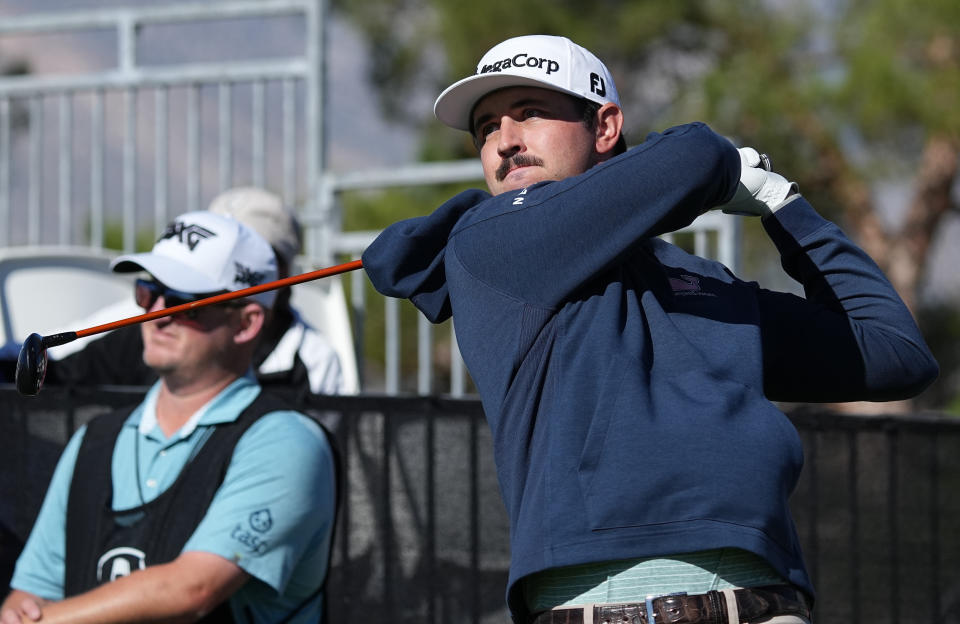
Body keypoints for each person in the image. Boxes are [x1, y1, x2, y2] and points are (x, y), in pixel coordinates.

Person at [360, 35, 939, 624]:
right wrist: (724, 168)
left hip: (770, 602)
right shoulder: (491, 241)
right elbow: (695, 155)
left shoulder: (704, 282)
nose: (505, 141)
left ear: (605, 127)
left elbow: (894, 352)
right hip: (606, 607)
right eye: (486, 128)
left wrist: (785, 206)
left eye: (530, 112)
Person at [1, 211, 338, 623]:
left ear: (247, 323)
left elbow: (189, 591)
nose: (157, 314)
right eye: (147, 293)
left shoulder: (287, 442)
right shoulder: (93, 441)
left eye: (184, 302)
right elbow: (28, 597)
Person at [40, 186, 349, 398]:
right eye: (211, 239)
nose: (160, 313)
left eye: (185, 305)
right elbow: (47, 366)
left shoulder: (313, 360)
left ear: (280, 271)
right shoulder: (147, 318)